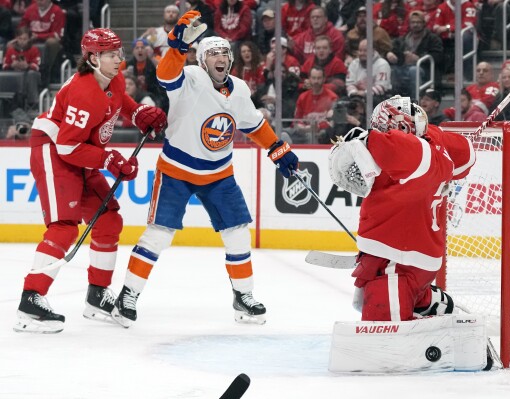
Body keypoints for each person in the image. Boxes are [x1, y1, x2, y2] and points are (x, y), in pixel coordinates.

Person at [113, 11, 299, 327]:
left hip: (219, 173)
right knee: (159, 234)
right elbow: (166, 75)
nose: (222, 57)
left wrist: (277, 149)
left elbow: (253, 124)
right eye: (213, 52)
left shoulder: (240, 88)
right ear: (202, 60)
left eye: (225, 52)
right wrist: (177, 46)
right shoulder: (190, 78)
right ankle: (127, 295)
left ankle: (243, 296)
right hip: (177, 170)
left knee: (238, 233)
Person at [13, 28, 167, 334]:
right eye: (111, 54)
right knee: (64, 227)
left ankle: (97, 297)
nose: (118, 59)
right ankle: (30, 301)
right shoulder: (84, 93)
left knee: (109, 219)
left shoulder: (114, 79)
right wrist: (109, 160)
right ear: (93, 58)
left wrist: (140, 115)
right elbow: (68, 147)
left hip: (82, 151)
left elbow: (121, 103)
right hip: (54, 150)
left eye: (118, 53)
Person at [337, 95, 475, 322]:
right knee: (388, 297)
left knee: (382, 331)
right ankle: (431, 304)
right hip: (424, 256)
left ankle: (432, 322)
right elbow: (467, 155)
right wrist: (436, 136)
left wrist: (362, 139)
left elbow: (381, 144)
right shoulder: (434, 142)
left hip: (396, 257)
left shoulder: (411, 152)